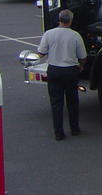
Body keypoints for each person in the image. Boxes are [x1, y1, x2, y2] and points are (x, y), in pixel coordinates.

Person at [37, 9, 87, 141]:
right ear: (71, 20)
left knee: (56, 103)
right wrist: (81, 66)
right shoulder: (75, 35)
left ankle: (58, 133)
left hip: (54, 70)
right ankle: (74, 129)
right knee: (72, 101)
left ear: (59, 19)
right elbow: (83, 55)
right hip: (70, 71)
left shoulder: (49, 34)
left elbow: (41, 53)